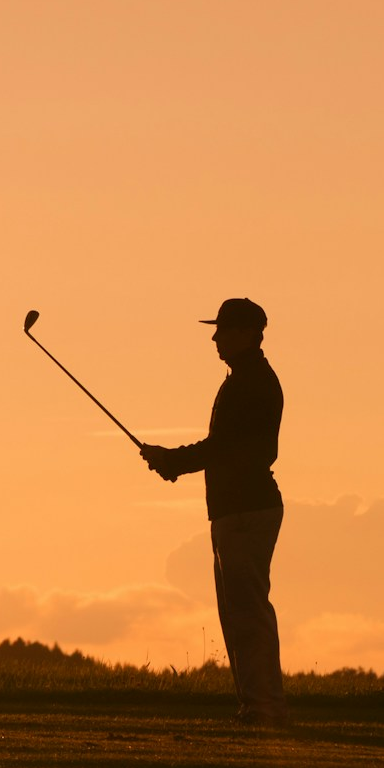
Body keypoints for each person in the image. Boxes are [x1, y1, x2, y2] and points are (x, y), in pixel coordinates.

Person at [139, 298, 287, 727]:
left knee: (247, 613)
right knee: (239, 612)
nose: (214, 337)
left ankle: (264, 707)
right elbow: (223, 449)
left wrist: (173, 461)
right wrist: (173, 462)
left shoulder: (250, 383)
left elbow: (223, 448)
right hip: (235, 508)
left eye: (222, 329)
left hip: (245, 509)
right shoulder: (244, 379)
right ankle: (256, 705)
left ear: (245, 333)